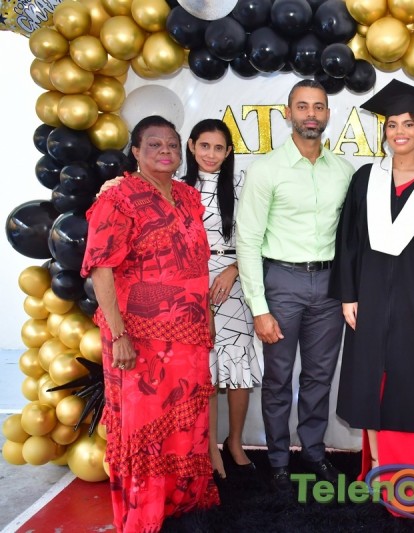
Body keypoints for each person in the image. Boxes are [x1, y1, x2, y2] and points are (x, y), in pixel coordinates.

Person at [330, 80, 414, 516]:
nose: (399, 132)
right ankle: (379, 471)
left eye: (408, 124)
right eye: (392, 124)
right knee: (372, 384)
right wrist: (348, 294)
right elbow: (348, 241)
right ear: (384, 131)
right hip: (369, 299)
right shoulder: (366, 179)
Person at [81, 116, 219, 531]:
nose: (165, 151)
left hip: (189, 334)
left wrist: (207, 316)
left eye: (172, 144)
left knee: (186, 421)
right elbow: (101, 269)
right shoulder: (118, 198)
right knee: (145, 427)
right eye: (155, 144)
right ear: (136, 152)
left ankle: (183, 502)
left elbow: (198, 264)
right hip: (139, 338)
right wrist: (118, 334)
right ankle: (146, 513)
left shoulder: (188, 196)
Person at [236, 79, 354, 492]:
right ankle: (278, 461)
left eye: (318, 107)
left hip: (330, 285)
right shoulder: (266, 169)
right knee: (278, 378)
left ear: (327, 114)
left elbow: (352, 237)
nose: (311, 114)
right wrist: (259, 308)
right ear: (288, 114)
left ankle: (314, 453)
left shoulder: (343, 171)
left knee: (319, 377)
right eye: (302, 106)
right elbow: (248, 240)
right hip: (282, 283)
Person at [183, 119, 261, 478]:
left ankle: (235, 442)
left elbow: (258, 235)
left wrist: (234, 270)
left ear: (229, 152)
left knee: (239, 367)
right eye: (204, 146)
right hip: (189, 284)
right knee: (207, 370)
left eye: (218, 148)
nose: (211, 154)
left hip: (236, 281)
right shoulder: (177, 187)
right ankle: (210, 447)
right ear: (191, 146)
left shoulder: (243, 184)